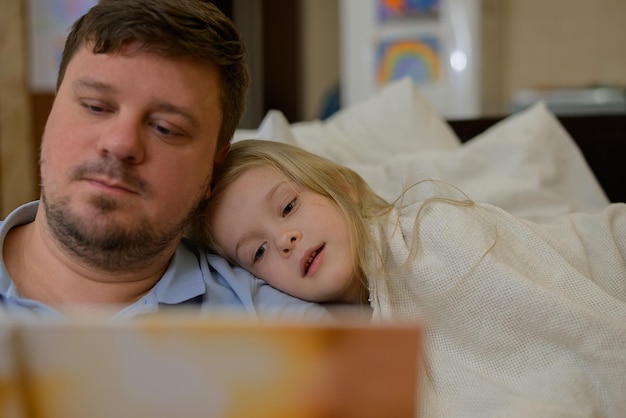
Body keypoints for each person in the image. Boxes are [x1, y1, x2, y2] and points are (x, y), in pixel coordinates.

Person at [193, 139, 626, 417]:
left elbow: (566, 331)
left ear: (343, 188)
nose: (284, 239)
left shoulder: (434, 234)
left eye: (288, 207)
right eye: (259, 251)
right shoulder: (327, 336)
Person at [0, 0, 328, 321]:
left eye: (165, 128)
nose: (120, 144)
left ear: (213, 169)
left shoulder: (286, 331)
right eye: (96, 106)